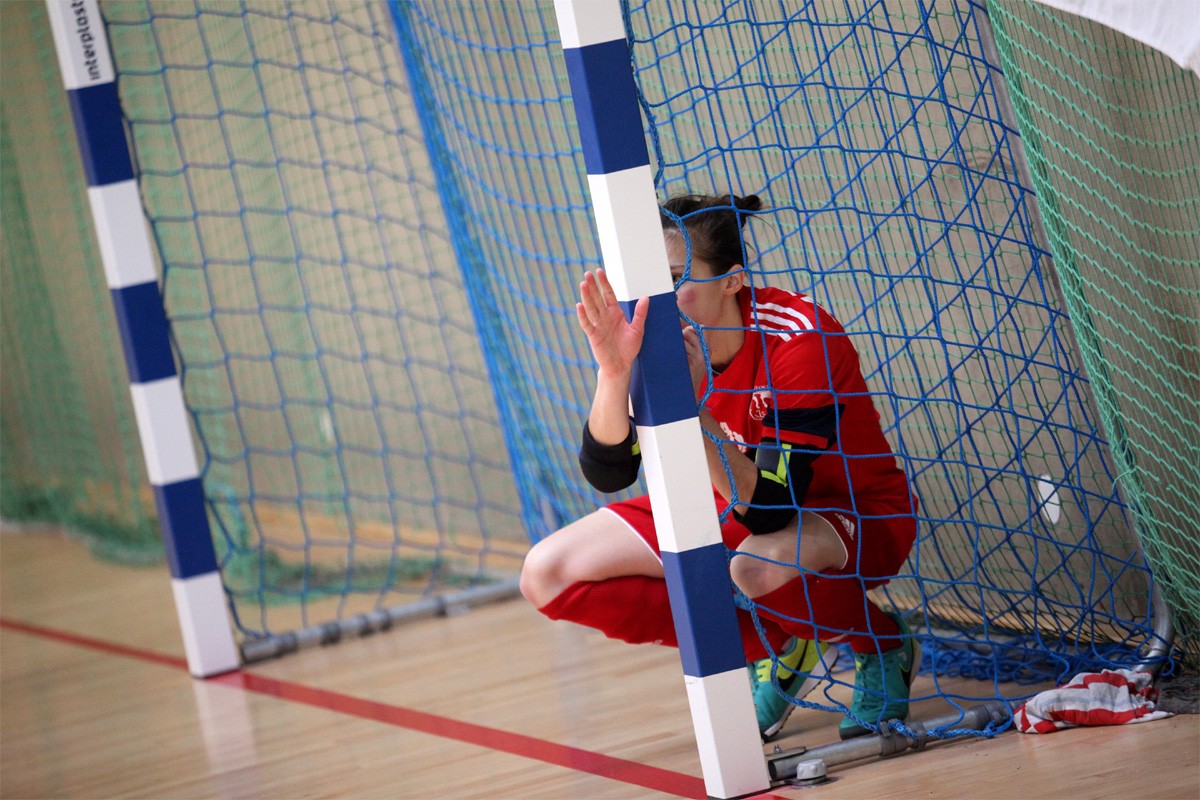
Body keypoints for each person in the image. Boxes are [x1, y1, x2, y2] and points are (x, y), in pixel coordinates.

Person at [520, 192, 920, 741]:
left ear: (732, 281)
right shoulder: (656, 339)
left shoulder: (799, 337)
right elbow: (609, 472)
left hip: (850, 515)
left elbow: (772, 509)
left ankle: (881, 642)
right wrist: (613, 371)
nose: (658, 298)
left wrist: (693, 411)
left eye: (674, 278)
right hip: (727, 503)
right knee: (547, 574)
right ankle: (778, 641)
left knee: (756, 567)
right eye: (648, 282)